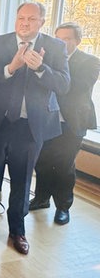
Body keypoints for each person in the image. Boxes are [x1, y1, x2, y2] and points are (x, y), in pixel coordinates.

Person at [0, 2, 70, 255]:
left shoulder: (54, 47)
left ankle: (17, 231)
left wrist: (40, 68)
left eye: (31, 19)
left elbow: (64, 85)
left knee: (21, 181)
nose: (25, 23)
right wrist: (11, 68)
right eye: (21, 18)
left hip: (30, 127)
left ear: (42, 21)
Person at [30, 22, 100, 225]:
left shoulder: (91, 62)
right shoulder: (49, 59)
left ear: (77, 41)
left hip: (72, 122)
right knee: (42, 161)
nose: (62, 42)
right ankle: (41, 198)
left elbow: (72, 87)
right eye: (58, 38)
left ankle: (63, 207)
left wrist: (48, 73)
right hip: (47, 119)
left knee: (64, 166)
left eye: (67, 38)